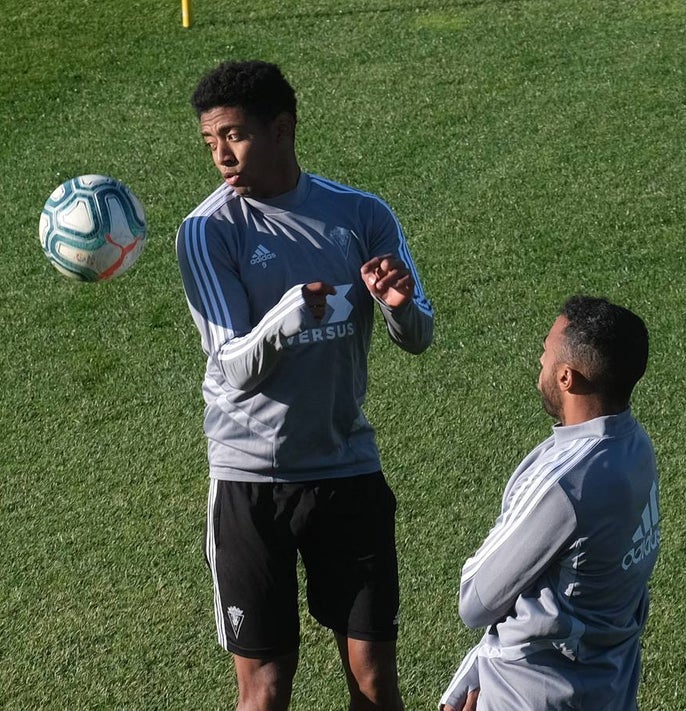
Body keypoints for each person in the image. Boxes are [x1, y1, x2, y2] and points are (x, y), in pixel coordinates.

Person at [175, 60, 434, 711]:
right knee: (265, 687)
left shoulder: (360, 213)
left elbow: (419, 333)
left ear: (283, 128)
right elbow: (234, 364)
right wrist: (288, 318)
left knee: (374, 676)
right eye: (210, 142)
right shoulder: (208, 231)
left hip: (346, 466)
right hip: (249, 479)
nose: (222, 156)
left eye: (234, 135)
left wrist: (398, 305)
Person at [440, 296, 658, 711]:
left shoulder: (562, 485)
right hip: (610, 684)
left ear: (566, 378)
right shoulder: (637, 449)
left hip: (533, 694)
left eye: (545, 353)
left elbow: (476, 601)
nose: (539, 363)